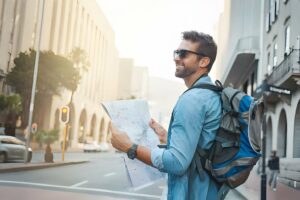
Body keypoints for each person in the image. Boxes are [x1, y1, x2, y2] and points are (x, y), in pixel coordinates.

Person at [110, 31, 221, 200]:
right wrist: (167, 138)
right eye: (176, 53)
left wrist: (130, 147)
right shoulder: (211, 95)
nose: (176, 58)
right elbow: (200, 150)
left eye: (183, 54)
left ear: (204, 61)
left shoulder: (192, 99)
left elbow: (177, 163)